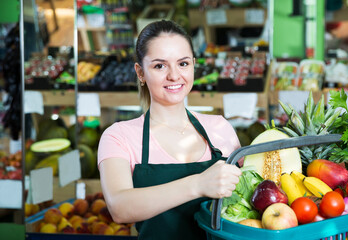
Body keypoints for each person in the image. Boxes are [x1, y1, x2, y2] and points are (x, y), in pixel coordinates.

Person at [97, 20, 242, 239]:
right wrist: (198, 184)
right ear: (140, 72)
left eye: (183, 64)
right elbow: (119, 207)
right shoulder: (119, 137)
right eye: (159, 66)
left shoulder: (220, 128)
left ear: (193, 64)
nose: (174, 75)